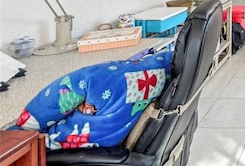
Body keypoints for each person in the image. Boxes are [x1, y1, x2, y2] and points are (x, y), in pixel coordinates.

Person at [13, 51, 172, 149]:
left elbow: (37, 114)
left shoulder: (96, 80)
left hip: (69, 147)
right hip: (120, 138)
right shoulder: (166, 63)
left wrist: (19, 127)